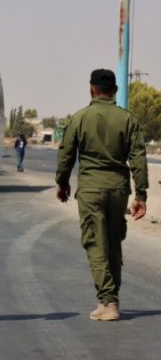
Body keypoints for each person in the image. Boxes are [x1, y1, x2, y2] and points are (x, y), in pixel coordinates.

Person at [55, 69, 148, 321]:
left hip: (91, 190)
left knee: (96, 243)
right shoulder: (127, 119)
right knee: (114, 243)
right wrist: (141, 194)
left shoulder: (80, 117)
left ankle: (108, 301)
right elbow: (138, 157)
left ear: (91, 89)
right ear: (115, 90)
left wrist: (62, 184)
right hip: (119, 189)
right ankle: (111, 297)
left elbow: (66, 156)